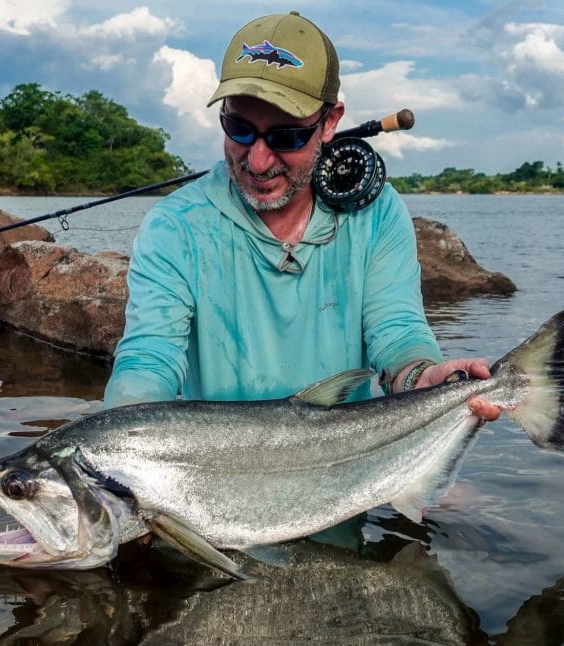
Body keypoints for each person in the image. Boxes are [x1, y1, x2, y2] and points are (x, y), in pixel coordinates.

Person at [104, 11, 500, 423]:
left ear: (330, 122)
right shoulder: (175, 226)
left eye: (286, 137)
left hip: (355, 462)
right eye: (238, 129)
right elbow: (148, 359)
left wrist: (421, 377)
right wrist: (123, 430)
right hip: (217, 471)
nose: (257, 162)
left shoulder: (377, 213)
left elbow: (397, 332)